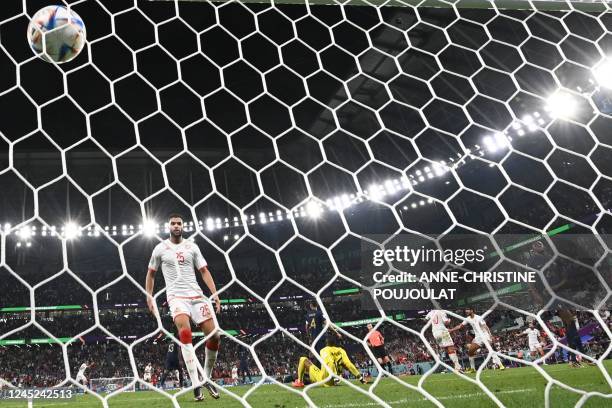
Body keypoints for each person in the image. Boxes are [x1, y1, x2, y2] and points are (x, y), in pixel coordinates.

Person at [146, 213, 221, 401]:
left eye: (179, 223)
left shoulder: (192, 247)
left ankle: (206, 378)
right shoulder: (160, 248)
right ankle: (195, 384)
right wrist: (149, 297)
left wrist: (215, 294)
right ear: (168, 226)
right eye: (173, 223)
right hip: (176, 297)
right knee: (185, 335)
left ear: (183, 226)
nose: (176, 226)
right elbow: (151, 274)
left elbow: (204, 271)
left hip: (196, 296)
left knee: (215, 337)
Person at [292, 334, 368, 388]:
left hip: (326, 380)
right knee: (308, 363)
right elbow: (349, 365)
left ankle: (300, 382)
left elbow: (330, 362)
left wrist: (334, 376)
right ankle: (304, 380)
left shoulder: (324, 350)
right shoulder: (341, 351)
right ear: (335, 343)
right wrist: (361, 379)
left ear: (326, 343)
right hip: (333, 378)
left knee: (303, 359)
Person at [449, 308, 505, 373]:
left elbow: (485, 326)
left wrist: (490, 335)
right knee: (470, 352)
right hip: (478, 337)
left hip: (484, 335)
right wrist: (451, 330)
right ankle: (473, 369)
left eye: (468, 310)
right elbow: (460, 326)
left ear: (472, 310)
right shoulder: (467, 319)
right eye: (466, 310)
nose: (466, 311)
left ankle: (501, 365)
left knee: (490, 350)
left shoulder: (479, 318)